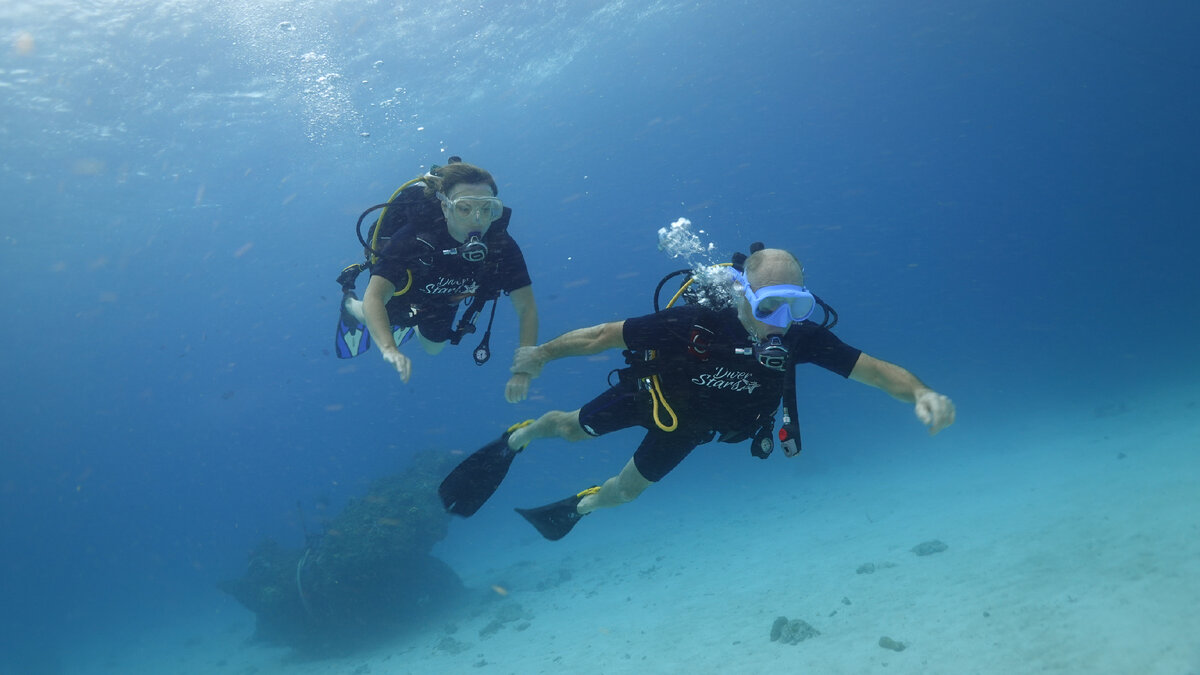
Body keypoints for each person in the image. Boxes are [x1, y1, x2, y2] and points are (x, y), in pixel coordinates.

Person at [438, 246, 955, 539]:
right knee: (569, 429)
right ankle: (522, 434)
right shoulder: (692, 322)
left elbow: (878, 372)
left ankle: (581, 506)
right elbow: (601, 335)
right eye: (772, 304)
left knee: (622, 494)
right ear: (744, 294)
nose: (784, 322)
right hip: (649, 397)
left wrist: (920, 395)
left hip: (689, 431)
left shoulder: (803, 337)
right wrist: (543, 354)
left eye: (797, 306)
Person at [337, 159, 538, 403]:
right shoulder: (414, 238)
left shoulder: (502, 246)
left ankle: (411, 326)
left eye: (487, 209)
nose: (477, 219)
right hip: (403, 293)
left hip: (444, 302)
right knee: (379, 318)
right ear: (445, 208)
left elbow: (526, 307)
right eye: (464, 207)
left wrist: (524, 369)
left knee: (434, 348)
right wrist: (389, 348)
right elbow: (375, 296)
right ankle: (349, 306)